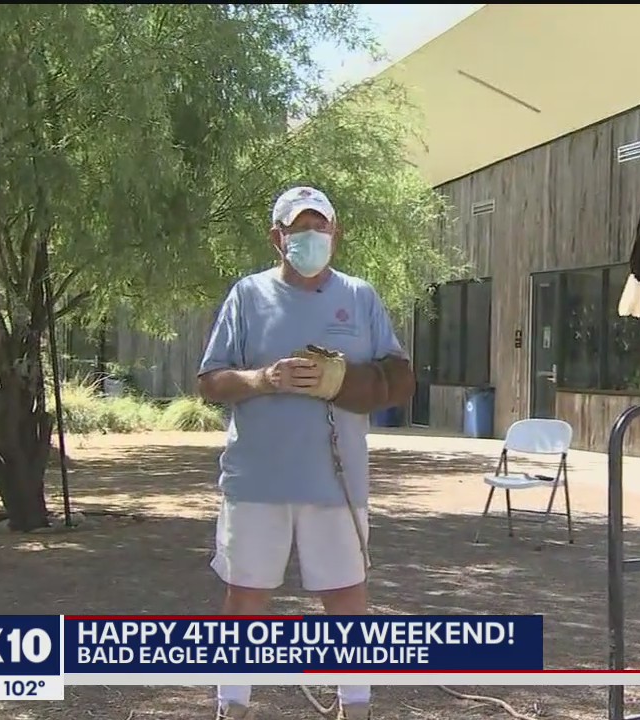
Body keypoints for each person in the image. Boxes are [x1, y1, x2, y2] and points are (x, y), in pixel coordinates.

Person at [197, 185, 415, 720]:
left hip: (335, 483)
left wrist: (342, 379)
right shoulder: (247, 296)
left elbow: (400, 378)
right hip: (255, 480)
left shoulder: (360, 297)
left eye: (321, 228)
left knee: (345, 597)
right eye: (299, 229)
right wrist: (263, 377)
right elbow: (210, 381)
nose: (311, 238)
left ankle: (355, 705)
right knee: (245, 598)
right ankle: (233, 705)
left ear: (336, 234)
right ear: (278, 237)